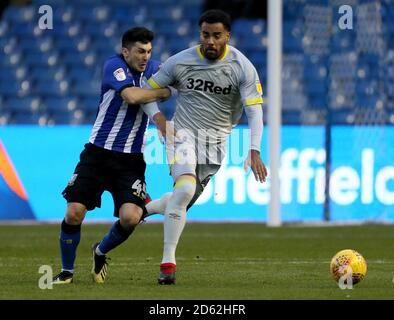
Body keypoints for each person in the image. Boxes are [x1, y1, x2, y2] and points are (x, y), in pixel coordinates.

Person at [144, 9, 268, 285]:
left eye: (216, 35)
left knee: (181, 201)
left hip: (215, 145)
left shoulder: (242, 67)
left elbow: (255, 111)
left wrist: (254, 149)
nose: (210, 41)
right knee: (185, 189)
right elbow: (147, 92)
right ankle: (168, 264)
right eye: (205, 35)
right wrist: (160, 119)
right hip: (183, 136)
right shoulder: (180, 62)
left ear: (227, 36)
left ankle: (146, 208)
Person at [52, 27, 170, 284]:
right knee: (74, 212)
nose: (145, 57)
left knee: (131, 218)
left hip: (130, 160)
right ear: (126, 51)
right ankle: (67, 272)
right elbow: (131, 96)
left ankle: (100, 251)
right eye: (140, 51)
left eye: (149, 52)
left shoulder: (156, 69)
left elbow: (180, 77)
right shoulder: (113, 66)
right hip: (97, 153)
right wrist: (163, 92)